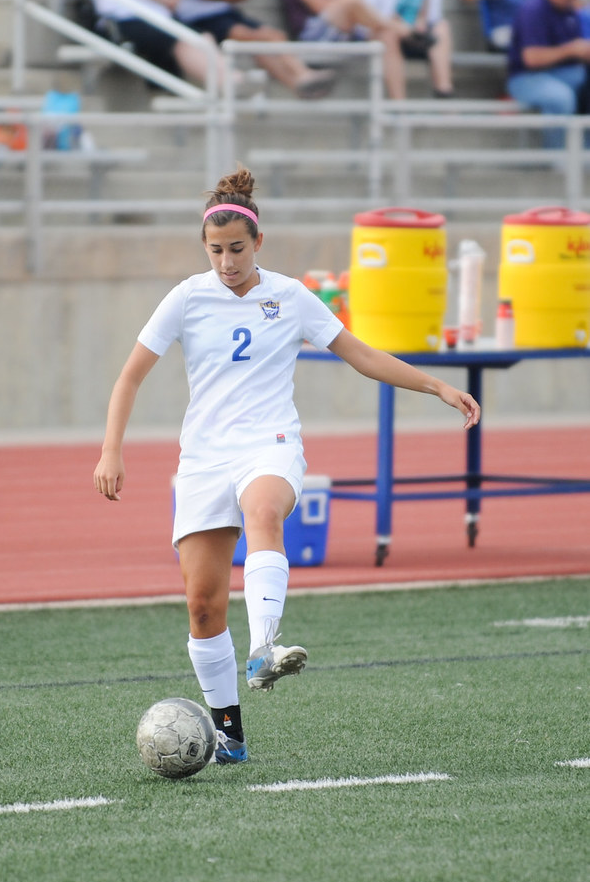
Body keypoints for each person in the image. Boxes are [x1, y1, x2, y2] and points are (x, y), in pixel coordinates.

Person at [92, 166, 481, 765]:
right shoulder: (187, 298)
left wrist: (437, 386)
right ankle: (230, 736)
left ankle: (264, 649)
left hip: (269, 443)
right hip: (204, 458)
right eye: (216, 250)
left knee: (265, 511)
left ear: (259, 242)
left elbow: (360, 354)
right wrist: (110, 450)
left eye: (237, 248)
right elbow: (129, 377)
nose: (227, 261)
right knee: (202, 606)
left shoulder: (291, 296)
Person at [162, 0, 336, 99]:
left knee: (272, 38)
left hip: (227, 15)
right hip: (202, 21)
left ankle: (300, 82)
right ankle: (303, 76)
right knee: (263, 38)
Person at [90, 0, 230, 92]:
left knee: (203, 37)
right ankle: (227, 85)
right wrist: (164, 0)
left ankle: (231, 81)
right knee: (182, 41)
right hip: (127, 23)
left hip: (154, 20)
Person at [280, 0, 408, 100]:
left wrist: (352, 11)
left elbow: (358, 6)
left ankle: (399, 107)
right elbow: (320, 5)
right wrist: (348, 7)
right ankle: (399, 28)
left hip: (347, 31)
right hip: (313, 36)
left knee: (387, 35)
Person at [507, 0, 590, 147]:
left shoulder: (569, 10)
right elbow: (532, 59)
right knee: (560, 98)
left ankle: (586, 153)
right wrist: (571, 49)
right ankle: (557, 157)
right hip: (527, 78)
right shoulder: (534, 10)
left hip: (566, 74)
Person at [362, 0, 454, 98]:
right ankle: (399, 104)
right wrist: (398, 25)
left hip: (413, 36)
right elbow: (369, 10)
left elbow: (432, 17)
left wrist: (420, 24)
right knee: (388, 35)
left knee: (442, 27)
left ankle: (444, 90)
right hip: (385, 30)